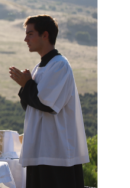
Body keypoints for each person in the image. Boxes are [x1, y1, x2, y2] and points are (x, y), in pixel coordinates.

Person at [8, 15, 89, 188]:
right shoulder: (39, 67)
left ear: (45, 35)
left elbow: (46, 104)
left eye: (30, 34)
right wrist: (25, 86)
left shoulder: (59, 65)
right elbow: (31, 106)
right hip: (39, 150)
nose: (25, 39)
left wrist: (27, 84)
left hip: (56, 153)